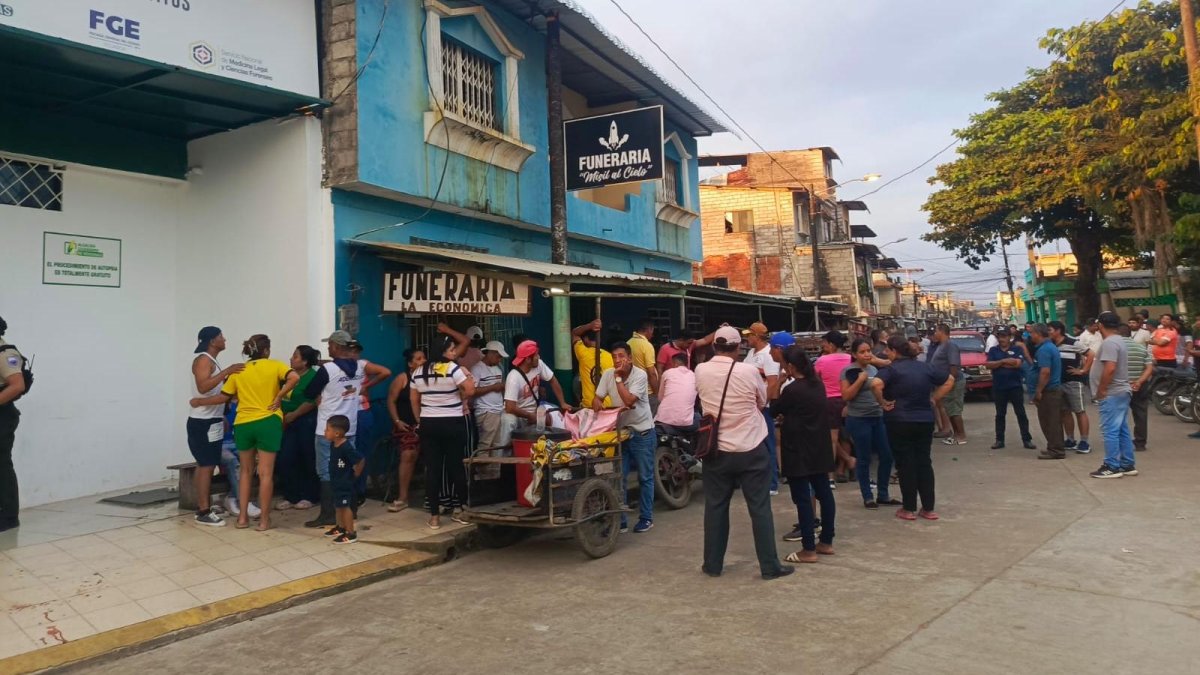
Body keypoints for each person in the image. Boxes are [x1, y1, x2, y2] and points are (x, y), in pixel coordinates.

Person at [695, 326, 792, 580]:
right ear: (739, 348)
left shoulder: (700, 370)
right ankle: (770, 566)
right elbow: (762, 402)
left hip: (715, 450)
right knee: (759, 508)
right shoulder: (748, 371)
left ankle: (712, 564)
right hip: (751, 448)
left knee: (715, 507)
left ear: (715, 345)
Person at [191, 334, 299, 531]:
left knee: (245, 472)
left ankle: (242, 518)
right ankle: (265, 521)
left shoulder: (238, 371)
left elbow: (223, 398)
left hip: (243, 424)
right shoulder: (275, 365)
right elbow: (294, 377)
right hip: (268, 422)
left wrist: (199, 402)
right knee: (265, 474)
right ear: (266, 351)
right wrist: (279, 396)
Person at [303, 330, 390, 527]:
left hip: (327, 429)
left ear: (336, 346)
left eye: (330, 344)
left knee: (326, 471)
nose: (327, 347)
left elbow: (309, 392)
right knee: (344, 468)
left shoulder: (329, 370)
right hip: (348, 427)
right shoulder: (360, 367)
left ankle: (327, 514)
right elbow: (380, 373)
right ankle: (351, 509)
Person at [877, 336, 954, 521]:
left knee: (905, 464)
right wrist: (934, 398)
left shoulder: (891, 370)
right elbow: (949, 379)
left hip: (899, 421)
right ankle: (928, 508)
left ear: (895, 352)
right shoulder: (925, 367)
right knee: (924, 462)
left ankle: (909, 508)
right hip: (924, 420)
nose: (886, 354)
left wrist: (882, 402)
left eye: (888, 350)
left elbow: (875, 384)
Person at [771, 346, 836, 563]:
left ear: (790, 366)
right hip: (819, 446)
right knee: (824, 493)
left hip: (798, 449)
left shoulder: (792, 390)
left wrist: (779, 384)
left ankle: (808, 548)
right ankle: (826, 541)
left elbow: (774, 409)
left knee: (803, 499)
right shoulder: (817, 385)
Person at [410, 335, 476, 529]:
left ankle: (434, 516)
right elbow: (470, 391)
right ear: (444, 351)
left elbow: (414, 399)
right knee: (456, 466)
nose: (454, 353)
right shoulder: (453, 369)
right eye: (452, 349)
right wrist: (465, 381)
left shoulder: (419, 372)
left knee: (433, 469)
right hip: (452, 423)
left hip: (429, 424)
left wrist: (419, 420)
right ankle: (462, 510)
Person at [186, 326, 245, 527]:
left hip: (213, 420)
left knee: (207, 463)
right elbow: (203, 387)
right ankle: (203, 510)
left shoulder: (212, 361)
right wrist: (227, 372)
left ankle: (204, 505)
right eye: (221, 336)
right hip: (202, 422)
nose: (225, 339)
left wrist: (221, 415)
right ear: (212, 340)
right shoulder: (203, 360)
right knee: (206, 465)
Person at [594, 342, 656, 533]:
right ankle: (619, 521)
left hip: (642, 432)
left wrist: (619, 380)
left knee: (645, 477)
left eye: (621, 356)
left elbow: (629, 401)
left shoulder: (640, 375)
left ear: (629, 358)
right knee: (618, 477)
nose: (617, 360)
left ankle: (646, 518)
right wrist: (598, 404)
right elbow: (597, 398)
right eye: (614, 357)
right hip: (621, 434)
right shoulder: (607, 374)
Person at [841, 339, 899, 509]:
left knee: (886, 456)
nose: (866, 354)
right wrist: (860, 380)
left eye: (868, 351)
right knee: (864, 457)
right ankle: (867, 496)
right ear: (854, 355)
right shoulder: (848, 372)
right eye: (862, 352)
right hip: (858, 419)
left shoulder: (874, 369)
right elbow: (845, 396)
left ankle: (883, 494)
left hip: (877, 416)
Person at [1090, 312, 1135, 478]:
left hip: (1112, 392)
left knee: (1110, 430)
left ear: (1101, 325)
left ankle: (1111, 465)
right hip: (1120, 391)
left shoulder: (1110, 343)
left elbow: (1110, 368)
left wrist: (1102, 389)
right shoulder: (1119, 340)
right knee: (1121, 429)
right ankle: (1127, 464)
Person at [277, 345, 321, 511]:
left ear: (305, 361)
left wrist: (294, 415)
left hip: (305, 421)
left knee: (307, 458)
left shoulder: (313, 376)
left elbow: (312, 401)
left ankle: (309, 496)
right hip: (287, 422)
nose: (291, 359)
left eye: (295, 357)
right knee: (286, 458)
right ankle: (290, 495)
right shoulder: (289, 376)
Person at [741, 322, 782, 495]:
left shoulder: (768, 355)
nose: (746, 339)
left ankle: (772, 484)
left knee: (768, 444)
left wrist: (764, 405)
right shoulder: (750, 354)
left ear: (756, 336)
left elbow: (772, 383)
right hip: (751, 406)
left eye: (749, 335)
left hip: (762, 407)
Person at [812, 331, 856, 483]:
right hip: (848, 400)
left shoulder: (822, 361)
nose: (822, 346)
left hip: (829, 401)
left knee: (831, 438)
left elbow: (815, 381)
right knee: (846, 437)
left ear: (831, 344)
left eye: (824, 343)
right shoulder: (850, 358)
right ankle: (842, 469)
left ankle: (830, 475)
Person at [503, 340, 572, 437]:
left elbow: (552, 380)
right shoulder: (513, 377)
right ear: (527, 359)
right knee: (508, 420)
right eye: (536, 355)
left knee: (552, 418)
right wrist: (529, 415)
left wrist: (562, 403)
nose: (538, 357)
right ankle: (507, 450)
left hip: (534, 410)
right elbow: (510, 407)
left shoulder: (539, 364)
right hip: (517, 413)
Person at [386, 348, 426, 512]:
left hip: (425, 424)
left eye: (424, 358)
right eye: (418, 359)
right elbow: (391, 400)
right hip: (405, 426)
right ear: (410, 363)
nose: (423, 361)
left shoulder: (428, 378)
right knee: (408, 454)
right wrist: (397, 421)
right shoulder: (403, 379)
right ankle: (403, 498)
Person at [984, 329, 1036, 450]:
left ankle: (1027, 439)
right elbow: (988, 365)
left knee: (1021, 414)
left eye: (1004, 336)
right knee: (1000, 414)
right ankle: (999, 440)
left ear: (1009, 337)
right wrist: (1003, 361)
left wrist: (998, 364)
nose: (1002, 339)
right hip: (999, 387)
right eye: (1000, 337)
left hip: (1015, 387)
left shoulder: (1017, 349)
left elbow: (1017, 363)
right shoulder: (993, 350)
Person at [0, 316, 27, 532]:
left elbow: (17, 386)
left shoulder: (6, 354)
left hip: (3, 415)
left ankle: (9, 516)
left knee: (1, 464)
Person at [1049, 321, 1093, 454]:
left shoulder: (1074, 342)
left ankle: (1084, 441)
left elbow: (1091, 354)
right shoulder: (1049, 345)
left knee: (1079, 411)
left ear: (1058, 330)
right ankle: (1070, 439)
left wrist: (1083, 370)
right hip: (1058, 383)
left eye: (1050, 330)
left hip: (1074, 382)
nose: (1048, 332)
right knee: (1065, 412)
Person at [321, 414, 365, 544]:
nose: (325, 432)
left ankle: (350, 533)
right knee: (338, 505)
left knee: (345, 507)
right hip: (336, 481)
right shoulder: (333, 444)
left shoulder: (346, 447)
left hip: (344, 482)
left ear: (337, 433)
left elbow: (360, 460)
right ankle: (340, 526)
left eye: (327, 429)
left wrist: (355, 475)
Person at [1027, 324, 1068, 460]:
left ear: (1038, 334)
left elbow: (1045, 372)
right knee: (1050, 421)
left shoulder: (1044, 350)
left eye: (1032, 333)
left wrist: (1038, 390)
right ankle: (1053, 446)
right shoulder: (1047, 347)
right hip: (1050, 390)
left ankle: (1056, 450)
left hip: (1049, 391)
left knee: (1051, 421)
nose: (1030, 336)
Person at [1118, 324, 1154, 452]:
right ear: (1130, 334)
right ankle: (1140, 443)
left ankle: (1121, 442)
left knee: (1119, 415)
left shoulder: (1116, 349)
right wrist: (1139, 381)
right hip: (1140, 386)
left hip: (1120, 385)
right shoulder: (1141, 348)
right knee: (1140, 414)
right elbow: (1149, 368)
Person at [928, 324, 966, 445]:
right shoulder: (941, 345)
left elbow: (953, 366)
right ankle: (955, 434)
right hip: (944, 382)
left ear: (942, 332)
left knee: (955, 410)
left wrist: (950, 381)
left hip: (953, 382)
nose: (934, 334)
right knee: (949, 409)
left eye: (936, 331)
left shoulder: (950, 345)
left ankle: (961, 435)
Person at [470, 341, 509, 450]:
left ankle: (493, 467)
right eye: (498, 356)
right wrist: (493, 387)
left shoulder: (498, 369)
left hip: (498, 410)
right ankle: (482, 467)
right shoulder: (477, 369)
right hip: (486, 411)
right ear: (490, 354)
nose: (499, 360)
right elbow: (472, 391)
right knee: (485, 444)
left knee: (496, 445)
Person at [572, 320, 615, 408]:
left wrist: (590, 325)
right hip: (608, 406)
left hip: (590, 406)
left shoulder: (583, 353)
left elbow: (574, 333)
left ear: (586, 339)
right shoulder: (610, 356)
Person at [655, 353, 698, 430]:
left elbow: (660, 398)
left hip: (663, 420)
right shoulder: (694, 376)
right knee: (697, 417)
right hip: (686, 423)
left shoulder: (667, 373)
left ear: (675, 363)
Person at [629, 319, 660, 405]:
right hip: (647, 391)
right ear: (649, 330)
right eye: (652, 331)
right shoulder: (647, 345)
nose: (652, 334)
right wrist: (656, 393)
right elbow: (651, 373)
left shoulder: (628, 343)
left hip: (632, 389)